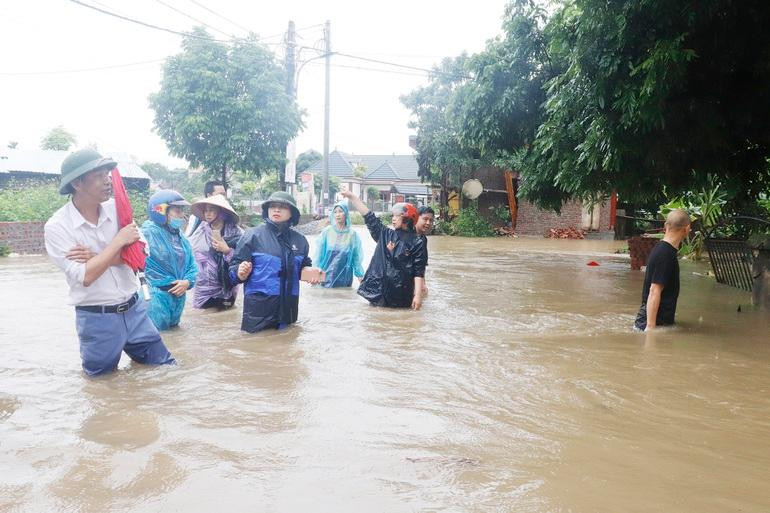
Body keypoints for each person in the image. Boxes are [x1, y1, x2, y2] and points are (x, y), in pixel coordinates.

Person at [44, 148, 175, 376]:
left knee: (167, 370)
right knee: (101, 385)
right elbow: (86, 276)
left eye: (108, 174)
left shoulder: (118, 209)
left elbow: (142, 255)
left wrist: (96, 258)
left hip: (135, 311)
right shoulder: (57, 227)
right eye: (99, 176)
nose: (108, 181)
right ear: (77, 184)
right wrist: (119, 243)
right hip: (97, 319)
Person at [229, 191, 324, 333]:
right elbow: (232, 271)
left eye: (282, 206)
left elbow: (303, 266)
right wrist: (239, 272)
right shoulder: (252, 235)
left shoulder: (300, 240)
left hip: (289, 312)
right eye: (272, 206)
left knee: (287, 348)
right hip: (258, 313)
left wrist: (313, 274)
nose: (276, 209)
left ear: (292, 213)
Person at [341, 190, 427, 309]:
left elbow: (419, 271)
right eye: (393, 216)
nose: (394, 219)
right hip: (379, 292)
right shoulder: (386, 234)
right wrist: (352, 197)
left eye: (398, 216)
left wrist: (417, 295)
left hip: (401, 294)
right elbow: (369, 217)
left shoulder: (417, 242)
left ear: (407, 219)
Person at [141, 190, 198, 330]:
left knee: (174, 338)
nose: (181, 215)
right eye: (177, 211)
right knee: (157, 340)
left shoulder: (180, 237)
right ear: (160, 211)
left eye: (181, 211)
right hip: (155, 297)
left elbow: (192, 265)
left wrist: (187, 282)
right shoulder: (146, 233)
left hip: (178, 296)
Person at [634, 209, 691, 331]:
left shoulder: (662, 249)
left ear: (665, 226)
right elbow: (654, 291)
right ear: (686, 229)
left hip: (653, 322)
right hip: (653, 324)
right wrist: (650, 330)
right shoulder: (665, 254)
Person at [188, 194, 243, 309]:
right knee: (202, 319)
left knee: (226, 316)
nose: (207, 213)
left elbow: (242, 260)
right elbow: (191, 250)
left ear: (222, 213)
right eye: (206, 210)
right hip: (204, 286)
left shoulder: (235, 233)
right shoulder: (202, 229)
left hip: (226, 286)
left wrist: (227, 251)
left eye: (212, 210)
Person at [314, 201, 365, 288]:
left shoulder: (352, 235)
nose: (338, 214)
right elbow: (318, 254)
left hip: (345, 278)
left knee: (343, 298)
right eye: (335, 212)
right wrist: (315, 270)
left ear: (346, 213)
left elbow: (356, 257)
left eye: (341, 211)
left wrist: (360, 275)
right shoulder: (326, 232)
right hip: (326, 276)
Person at [415, 206, 435, 296]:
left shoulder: (423, 239)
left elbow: (421, 265)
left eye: (431, 220)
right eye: (425, 219)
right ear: (416, 218)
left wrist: (423, 284)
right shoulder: (406, 236)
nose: (428, 223)